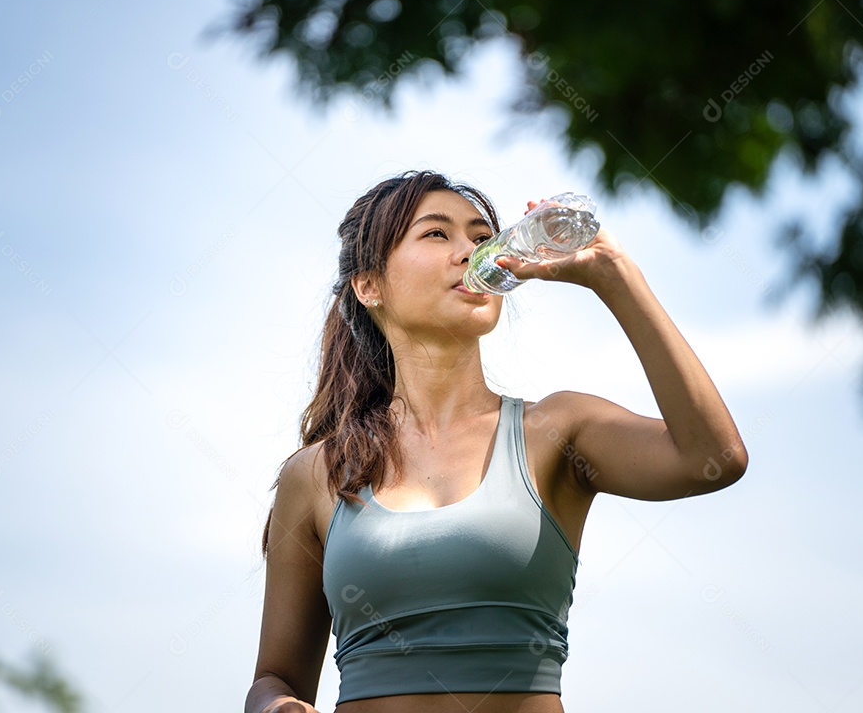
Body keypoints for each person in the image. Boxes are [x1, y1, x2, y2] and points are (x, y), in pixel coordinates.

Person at [244, 170, 748, 713]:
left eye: (483, 238)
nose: (470, 251)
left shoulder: (557, 431)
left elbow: (713, 459)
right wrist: (278, 708)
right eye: (437, 234)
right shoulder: (318, 472)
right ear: (369, 286)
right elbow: (275, 678)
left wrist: (615, 276)